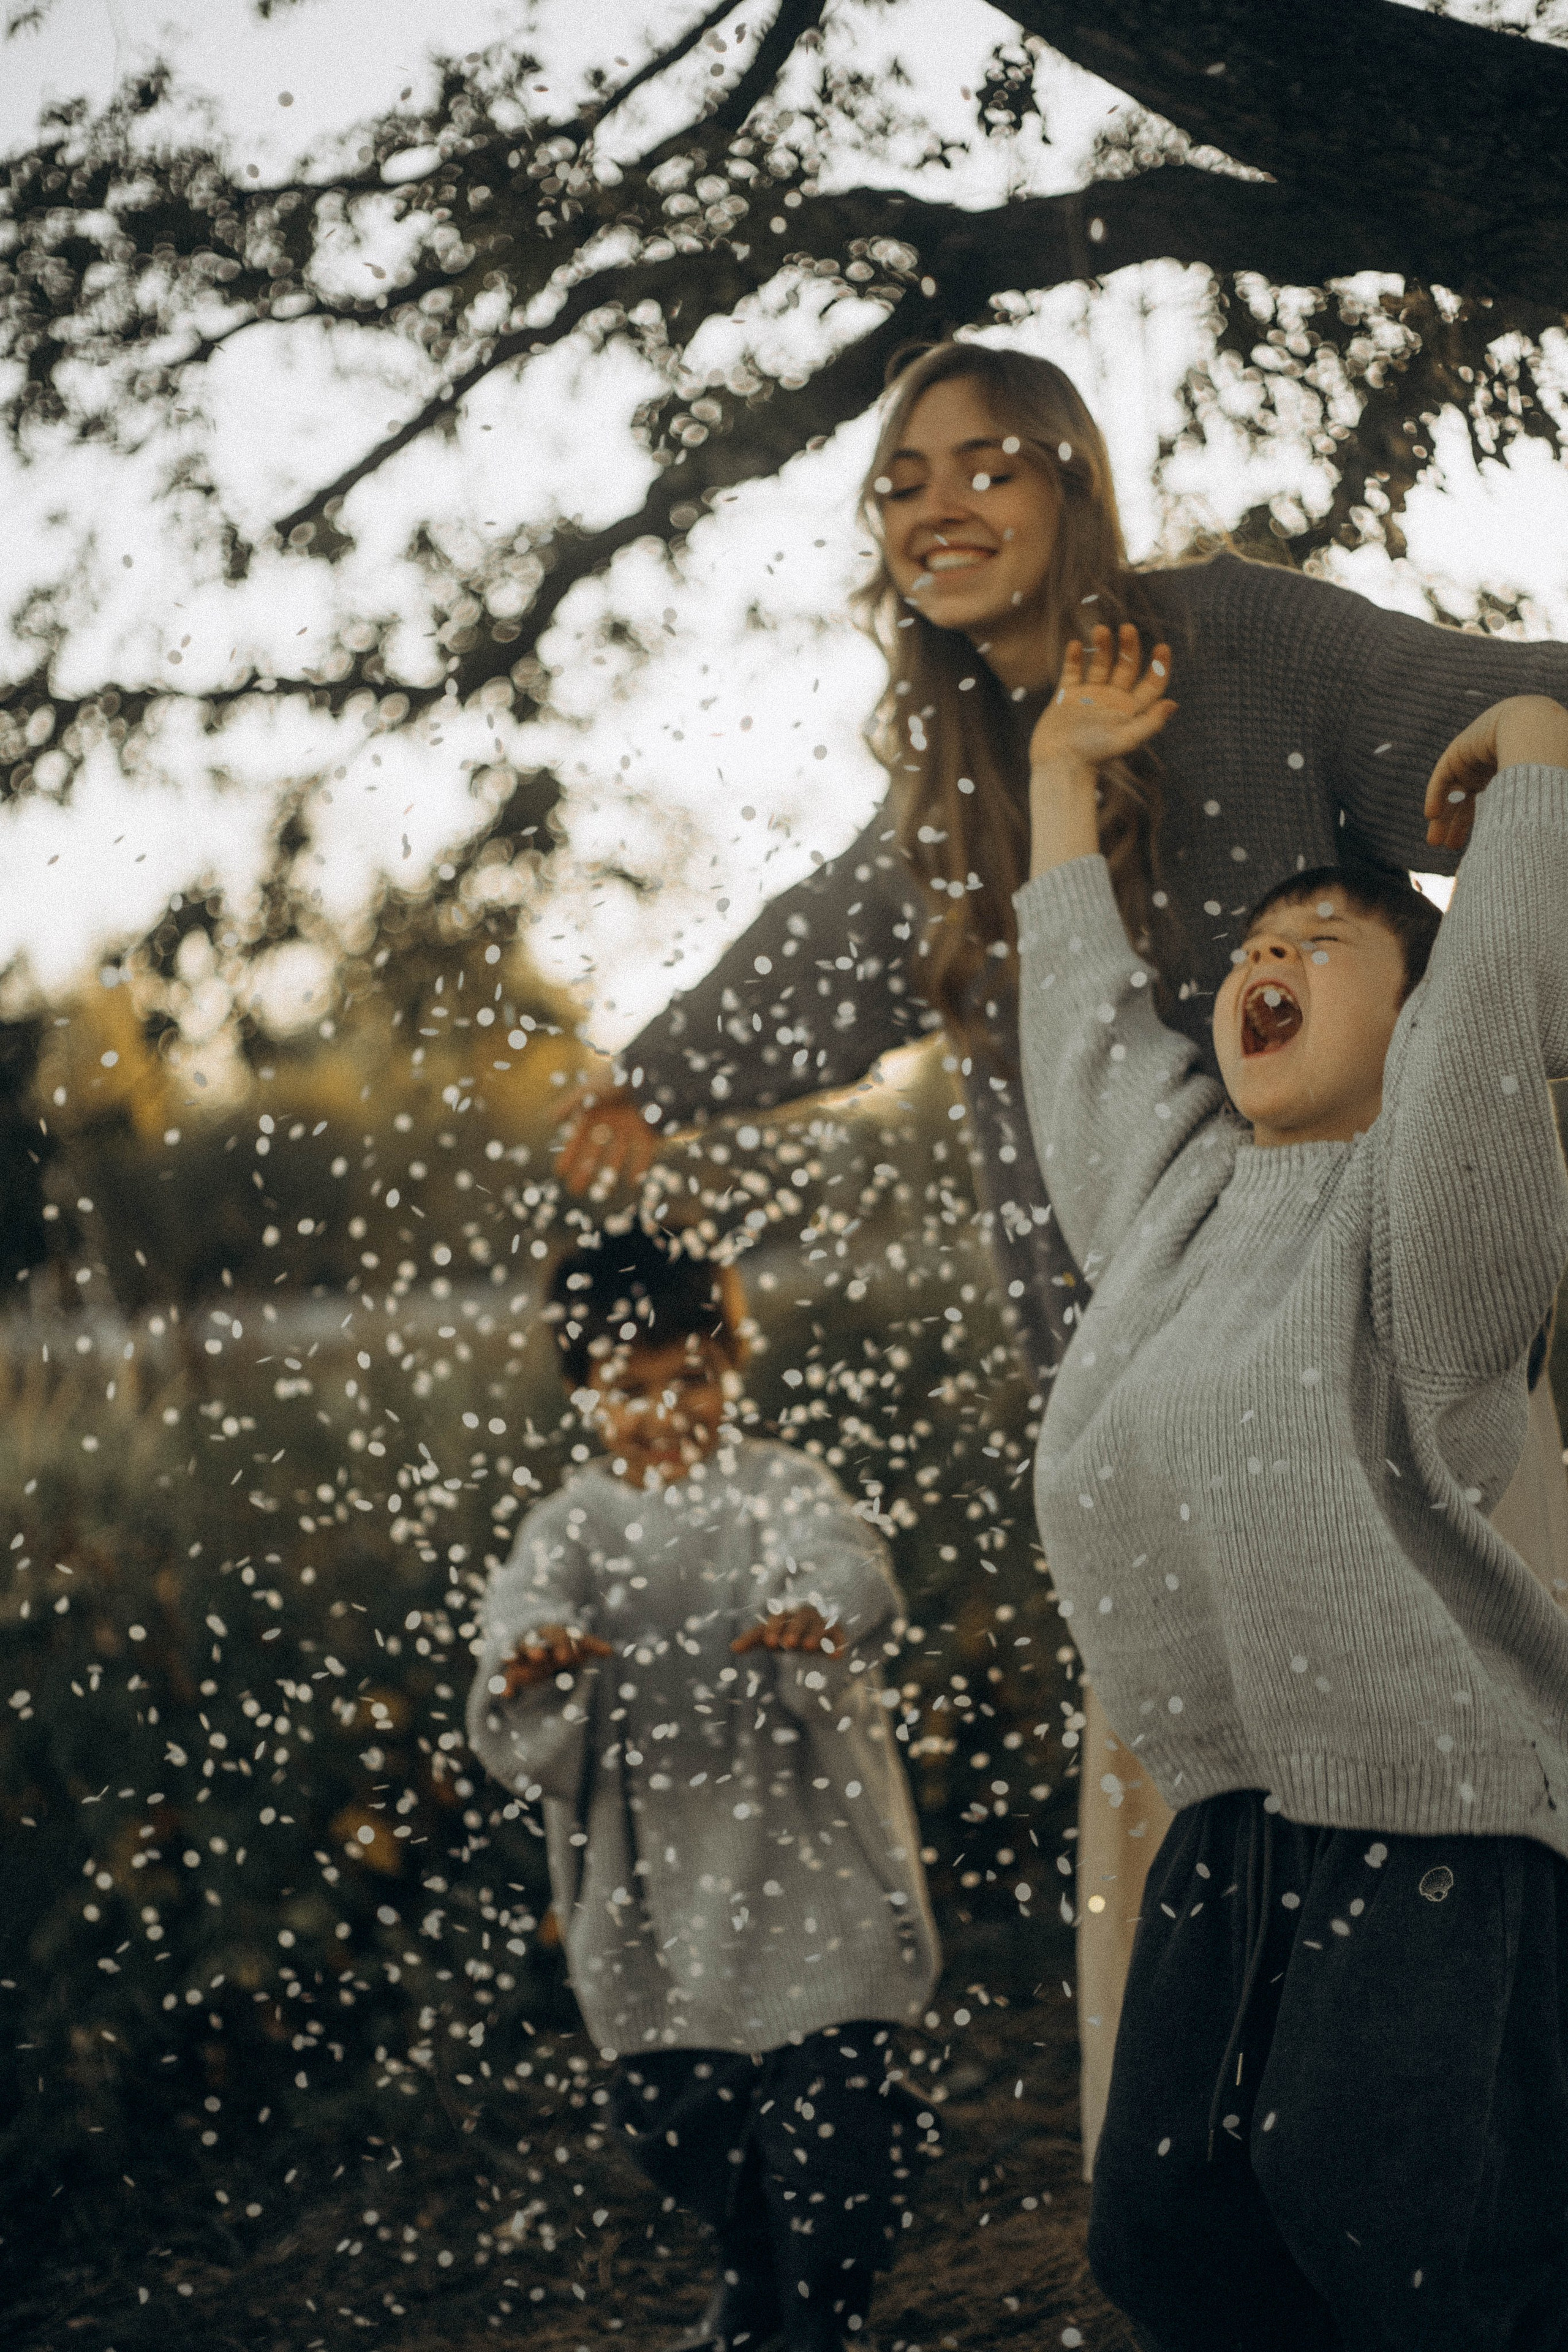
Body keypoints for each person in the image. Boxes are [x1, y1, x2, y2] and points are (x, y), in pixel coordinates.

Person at [552, 339, 1568, 2166]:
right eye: (900, 481)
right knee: (1207, 1970)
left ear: (1073, 475)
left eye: (985, 463)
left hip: (1407, 1402)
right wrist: (652, 1084)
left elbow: (1495, 721)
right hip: (1164, 1449)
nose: (937, 504)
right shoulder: (967, 795)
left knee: (1474, 1891)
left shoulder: (1250, 650)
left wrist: (1532, 738)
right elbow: (811, 966)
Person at [1016, 627, 1568, 2346]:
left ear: (1415, 1031)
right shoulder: (1172, 1209)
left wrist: (1539, 772)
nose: (1272, 955)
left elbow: (1487, 1026)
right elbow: (1085, 1046)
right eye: (1257, 945)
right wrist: (1058, 786)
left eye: (1327, 944)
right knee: (1172, 2241)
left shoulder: (1434, 1223)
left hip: (1445, 1815)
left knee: (1421, 2255)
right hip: (1236, 1804)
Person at [466, 1224, 939, 2352]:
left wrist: (819, 1610)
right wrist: (532, 1658)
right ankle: (756, 2270)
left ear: (734, 1367)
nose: (669, 1411)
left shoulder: (780, 1488)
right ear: (586, 1388)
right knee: (678, 2121)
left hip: (803, 1853)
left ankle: (822, 2317)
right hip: (658, 1883)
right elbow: (519, 1619)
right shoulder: (571, 1525)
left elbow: (844, 1557)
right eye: (633, 1387)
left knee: (829, 2133)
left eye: (693, 1379)